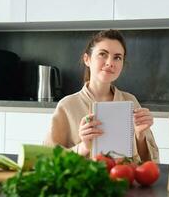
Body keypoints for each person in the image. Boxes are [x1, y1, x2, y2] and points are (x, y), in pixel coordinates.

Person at [44, 29, 159, 163]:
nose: (110, 62)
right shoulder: (67, 106)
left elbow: (150, 163)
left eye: (117, 57)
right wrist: (83, 147)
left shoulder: (130, 101)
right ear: (87, 59)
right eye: (103, 54)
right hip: (86, 182)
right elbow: (48, 158)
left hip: (125, 180)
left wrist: (140, 136)